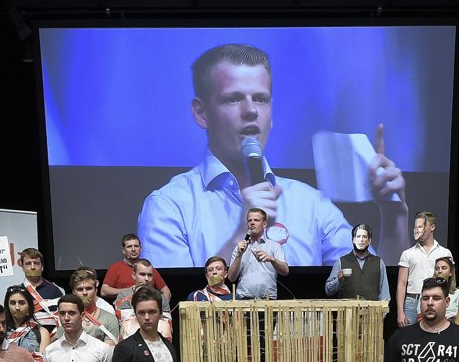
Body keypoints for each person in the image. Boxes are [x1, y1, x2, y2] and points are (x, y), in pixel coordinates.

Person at [138, 42, 407, 270]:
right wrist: (243, 234)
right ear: (201, 113)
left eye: (261, 99)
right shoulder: (168, 207)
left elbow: (371, 292)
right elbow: (172, 306)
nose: (251, 110)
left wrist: (393, 216)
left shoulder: (311, 205)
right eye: (233, 99)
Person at [395, 212, 453, 327]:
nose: (417, 230)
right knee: (410, 336)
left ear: (432, 227)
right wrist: (400, 312)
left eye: (421, 227)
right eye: (416, 227)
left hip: (435, 299)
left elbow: (449, 279)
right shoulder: (408, 253)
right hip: (412, 301)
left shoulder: (444, 252)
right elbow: (401, 284)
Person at [227, 207, 289, 300]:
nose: (252, 223)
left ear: (264, 224)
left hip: (268, 300)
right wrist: (239, 255)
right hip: (244, 299)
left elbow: (285, 271)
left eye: (256, 220)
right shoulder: (240, 247)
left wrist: (272, 259)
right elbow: (231, 278)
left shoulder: (274, 246)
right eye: (249, 220)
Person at [325, 222, 390, 309]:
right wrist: (338, 281)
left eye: (364, 237)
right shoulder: (341, 261)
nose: (361, 240)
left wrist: (380, 316)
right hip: (346, 317)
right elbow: (328, 290)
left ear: (369, 241)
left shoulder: (378, 262)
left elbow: (384, 294)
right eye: (358, 236)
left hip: (371, 317)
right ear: (353, 240)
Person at [102, 233, 172, 305]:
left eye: (136, 246)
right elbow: (104, 291)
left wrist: (161, 309)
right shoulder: (115, 267)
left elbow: (167, 292)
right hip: (124, 309)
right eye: (129, 247)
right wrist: (131, 290)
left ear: (140, 249)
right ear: (123, 250)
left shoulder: (148, 268)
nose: (133, 249)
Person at [112, 259, 174, 340]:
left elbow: (167, 323)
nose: (146, 279)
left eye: (150, 275)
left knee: (165, 326)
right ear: (134, 275)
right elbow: (126, 321)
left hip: (157, 337)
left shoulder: (161, 298)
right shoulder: (123, 296)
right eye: (142, 274)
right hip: (131, 339)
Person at [2, 285, 51, 356]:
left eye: (22, 303)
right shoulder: (1, 331)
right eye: (12, 303)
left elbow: (42, 361)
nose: (17, 307)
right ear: (7, 305)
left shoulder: (42, 332)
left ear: (29, 305)